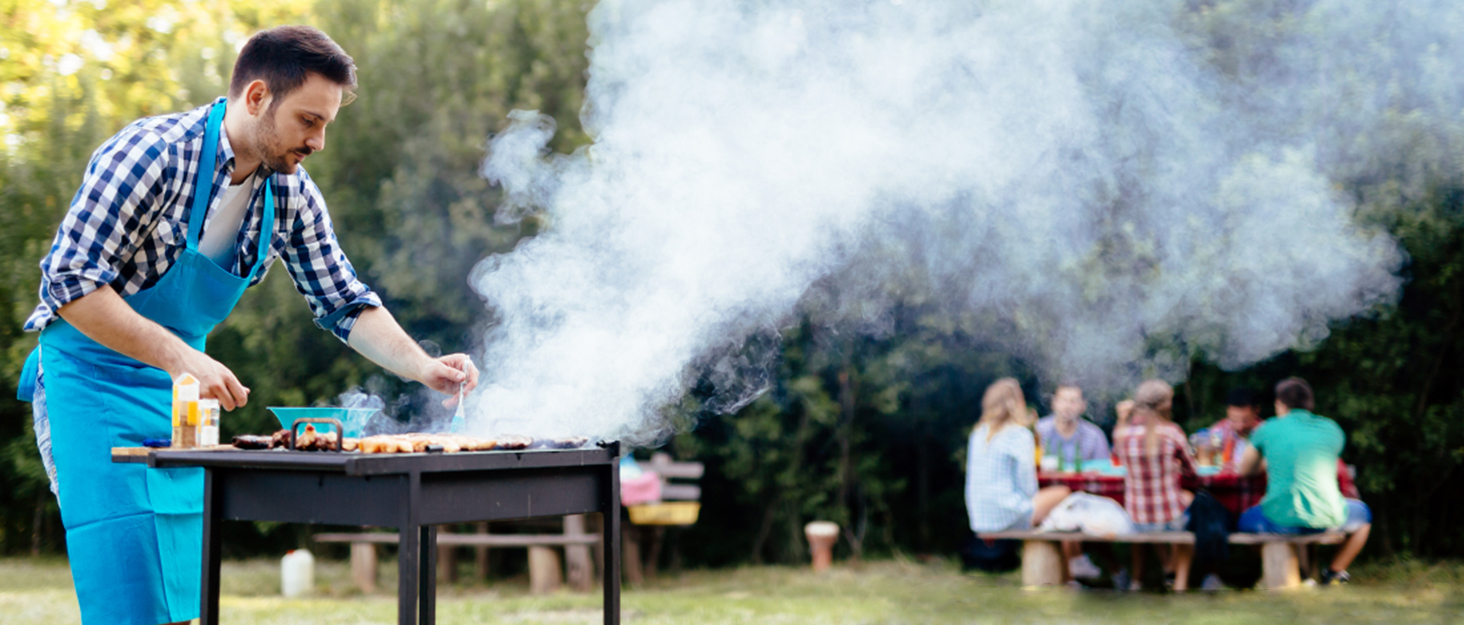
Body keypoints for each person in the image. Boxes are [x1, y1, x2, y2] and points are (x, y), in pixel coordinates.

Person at [14, 26, 480, 625]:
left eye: (325, 126)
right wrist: (182, 357)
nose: (317, 141)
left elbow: (343, 300)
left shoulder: (290, 194)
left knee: (186, 591)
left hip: (182, 401)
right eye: (308, 121)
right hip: (90, 384)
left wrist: (424, 367)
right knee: (127, 590)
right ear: (256, 97)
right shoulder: (150, 155)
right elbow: (69, 283)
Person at [1237, 377, 1371, 585]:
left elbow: (1245, 470)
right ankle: (1334, 572)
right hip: (1328, 516)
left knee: (1243, 521)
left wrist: (1269, 458)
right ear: (1310, 403)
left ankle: (1285, 571)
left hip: (1280, 519)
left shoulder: (1267, 428)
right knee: (1364, 516)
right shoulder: (1331, 428)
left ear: (1280, 404)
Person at [1113, 380, 1199, 591]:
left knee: (1151, 514)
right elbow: (1193, 473)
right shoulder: (1172, 432)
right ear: (1166, 405)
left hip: (1135, 521)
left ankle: (1138, 581)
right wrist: (1175, 469)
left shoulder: (1122, 434)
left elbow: (1118, 460)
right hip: (1168, 520)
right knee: (1188, 503)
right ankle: (1179, 582)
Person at [965, 378, 1071, 534]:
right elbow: (1028, 487)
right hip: (1008, 518)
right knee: (1063, 492)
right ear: (1015, 402)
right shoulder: (1019, 434)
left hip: (979, 518)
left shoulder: (978, 433)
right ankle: (1075, 556)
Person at [1035, 382, 1111, 466]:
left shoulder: (1094, 436)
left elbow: (1104, 472)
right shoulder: (1039, 430)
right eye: (1063, 400)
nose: (1067, 406)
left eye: (1073, 401)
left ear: (1083, 405)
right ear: (1054, 403)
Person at [1208, 388, 1264, 471]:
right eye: (1234, 420)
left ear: (1256, 411)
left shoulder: (1265, 432)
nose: (1240, 427)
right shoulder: (1219, 430)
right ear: (1228, 411)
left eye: (1245, 421)